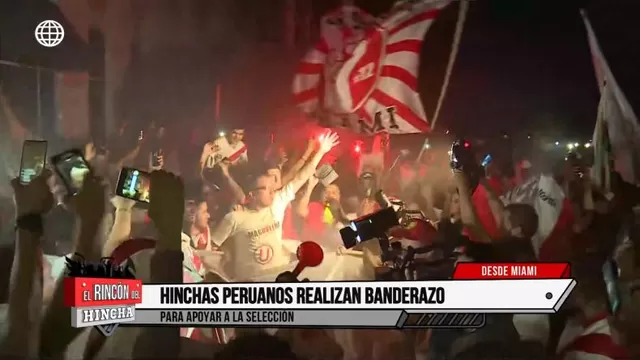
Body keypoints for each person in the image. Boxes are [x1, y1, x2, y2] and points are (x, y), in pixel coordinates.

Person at [209, 132, 339, 281]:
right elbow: (210, 251)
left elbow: (302, 176)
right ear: (252, 195)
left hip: (278, 279)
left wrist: (321, 151)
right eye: (265, 188)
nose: (272, 190)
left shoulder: (278, 202)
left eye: (272, 187)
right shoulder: (234, 218)